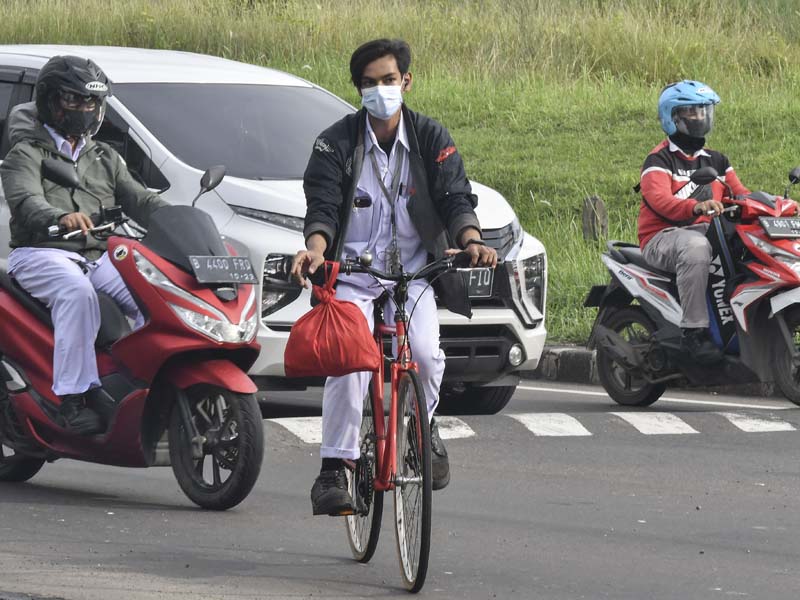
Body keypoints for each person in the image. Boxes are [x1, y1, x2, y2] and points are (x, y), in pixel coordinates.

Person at [291, 38, 497, 516]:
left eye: (388, 80)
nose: (380, 90)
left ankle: (424, 430)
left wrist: (471, 240)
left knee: (424, 354)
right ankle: (333, 468)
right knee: (349, 362)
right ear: (358, 90)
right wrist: (316, 252)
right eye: (369, 84)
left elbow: (456, 199)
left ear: (406, 82)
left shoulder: (431, 137)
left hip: (415, 274)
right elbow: (321, 209)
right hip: (354, 275)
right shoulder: (335, 142)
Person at [1, 55, 167, 435]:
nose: (84, 109)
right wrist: (57, 217)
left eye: (90, 102)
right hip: (42, 253)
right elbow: (26, 200)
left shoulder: (105, 156)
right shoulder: (25, 154)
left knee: (155, 293)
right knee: (78, 295)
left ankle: (148, 385)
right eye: (73, 100)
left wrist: (185, 223)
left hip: (99, 254)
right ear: (51, 102)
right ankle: (72, 400)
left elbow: (140, 199)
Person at [637, 80, 749, 364]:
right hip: (664, 237)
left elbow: (742, 194)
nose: (700, 118)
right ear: (672, 117)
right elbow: (659, 200)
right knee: (696, 247)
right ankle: (694, 333)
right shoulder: (659, 159)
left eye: (703, 112)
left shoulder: (717, 160)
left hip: (709, 232)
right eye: (692, 112)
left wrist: (776, 205)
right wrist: (696, 206)